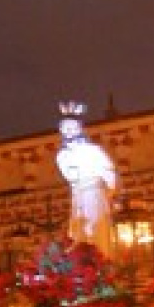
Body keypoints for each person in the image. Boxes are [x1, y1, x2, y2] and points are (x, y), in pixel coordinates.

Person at [54, 102, 117, 250]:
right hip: (78, 195)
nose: (68, 131)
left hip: (95, 193)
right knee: (79, 230)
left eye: (71, 128)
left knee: (96, 227)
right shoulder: (63, 155)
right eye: (65, 129)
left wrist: (110, 192)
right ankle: (82, 259)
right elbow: (70, 174)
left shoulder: (92, 150)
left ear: (78, 128)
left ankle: (99, 257)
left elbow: (109, 170)